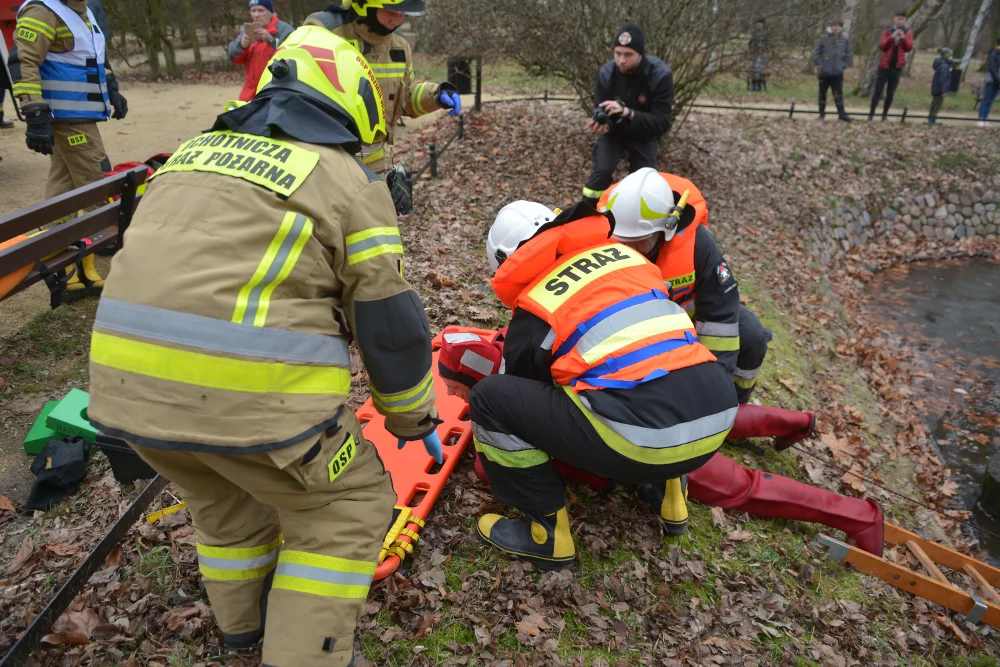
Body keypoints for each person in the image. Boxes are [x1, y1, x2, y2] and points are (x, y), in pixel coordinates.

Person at [87, 27, 442, 667]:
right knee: (344, 506)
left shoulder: (189, 154)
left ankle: (242, 633)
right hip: (253, 405)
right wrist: (412, 417)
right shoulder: (343, 178)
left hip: (123, 398)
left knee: (224, 504)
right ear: (348, 102)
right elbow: (390, 322)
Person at [438, 331, 884, 556]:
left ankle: (859, 517)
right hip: (663, 396)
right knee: (716, 420)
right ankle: (795, 421)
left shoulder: (506, 399)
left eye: (457, 391)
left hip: (645, 443)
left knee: (744, 487)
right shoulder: (523, 341)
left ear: (471, 380)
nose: (457, 399)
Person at [470, 199, 738, 570]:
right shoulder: (625, 258)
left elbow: (523, 394)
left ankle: (546, 537)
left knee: (490, 400)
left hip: (642, 437)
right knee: (653, 367)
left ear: (505, 261)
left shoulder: (537, 304)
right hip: (716, 414)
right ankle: (671, 499)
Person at [599, 169, 770, 406]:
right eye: (624, 242)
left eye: (640, 242)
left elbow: (720, 320)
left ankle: (737, 403)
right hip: (627, 334)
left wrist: (717, 394)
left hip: (688, 325)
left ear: (665, 229)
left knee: (751, 334)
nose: (632, 250)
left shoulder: (698, 244)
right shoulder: (597, 235)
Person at [8, 0, 127, 297]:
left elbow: (95, 57)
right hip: (68, 119)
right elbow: (24, 63)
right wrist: (34, 112)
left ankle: (68, 268)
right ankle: (95, 263)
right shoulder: (44, 10)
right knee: (97, 185)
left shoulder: (85, 10)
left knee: (63, 191)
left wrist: (112, 89)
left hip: (80, 116)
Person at [304, 0, 462, 184]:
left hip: (373, 162)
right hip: (325, 159)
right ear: (364, 4)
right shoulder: (324, 32)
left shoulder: (399, 45)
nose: (398, 19)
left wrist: (436, 95)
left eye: (403, 12)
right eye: (392, 10)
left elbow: (406, 95)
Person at [581, 23, 673, 205]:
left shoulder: (660, 75)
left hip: (644, 134)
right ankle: (586, 212)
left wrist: (628, 113)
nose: (621, 60)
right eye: (618, 53)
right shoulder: (607, 73)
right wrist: (601, 124)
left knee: (643, 182)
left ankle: (635, 222)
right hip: (614, 132)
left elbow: (661, 123)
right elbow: (600, 108)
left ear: (641, 54)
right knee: (602, 171)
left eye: (628, 55)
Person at [228, 0, 293, 103]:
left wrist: (271, 40)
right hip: (250, 93)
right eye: (253, 10)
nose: (256, 15)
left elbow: (293, 58)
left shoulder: (285, 30)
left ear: (271, 12)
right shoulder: (248, 31)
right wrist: (242, 45)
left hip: (276, 91)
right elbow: (232, 57)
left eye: (261, 10)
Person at [868, 9, 913, 122]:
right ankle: (871, 114)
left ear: (905, 20)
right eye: (898, 18)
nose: (900, 21)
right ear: (894, 18)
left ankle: (884, 115)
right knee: (878, 91)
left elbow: (909, 48)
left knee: (891, 92)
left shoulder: (908, 32)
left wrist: (903, 38)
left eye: (902, 19)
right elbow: (882, 46)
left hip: (897, 66)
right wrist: (892, 37)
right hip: (885, 65)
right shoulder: (887, 31)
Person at [813, 19, 852, 122]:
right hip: (824, 72)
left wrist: (843, 65)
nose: (836, 28)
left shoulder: (844, 39)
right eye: (834, 25)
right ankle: (821, 114)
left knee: (838, 94)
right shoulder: (823, 38)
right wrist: (820, 65)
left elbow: (847, 54)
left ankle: (841, 114)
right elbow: (816, 53)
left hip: (837, 72)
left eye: (838, 26)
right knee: (822, 94)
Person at [979, 38, 1000, 127]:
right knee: (986, 100)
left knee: (990, 101)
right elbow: (992, 68)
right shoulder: (993, 54)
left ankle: (985, 118)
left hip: (998, 82)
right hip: (991, 80)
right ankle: (981, 118)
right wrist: (997, 79)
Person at [929, 47, 953, 125]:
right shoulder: (945, 66)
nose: (952, 58)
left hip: (937, 88)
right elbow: (944, 79)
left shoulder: (941, 65)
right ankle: (932, 119)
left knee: (935, 103)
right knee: (937, 104)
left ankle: (931, 118)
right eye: (950, 56)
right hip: (940, 89)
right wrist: (944, 90)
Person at [748, 18, 769, 92]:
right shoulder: (754, 33)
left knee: (758, 69)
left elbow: (767, 44)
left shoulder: (765, 33)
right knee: (753, 70)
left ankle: (757, 85)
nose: (758, 25)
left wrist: (766, 52)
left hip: (760, 53)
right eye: (757, 23)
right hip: (753, 53)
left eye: (760, 24)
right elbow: (751, 43)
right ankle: (753, 84)